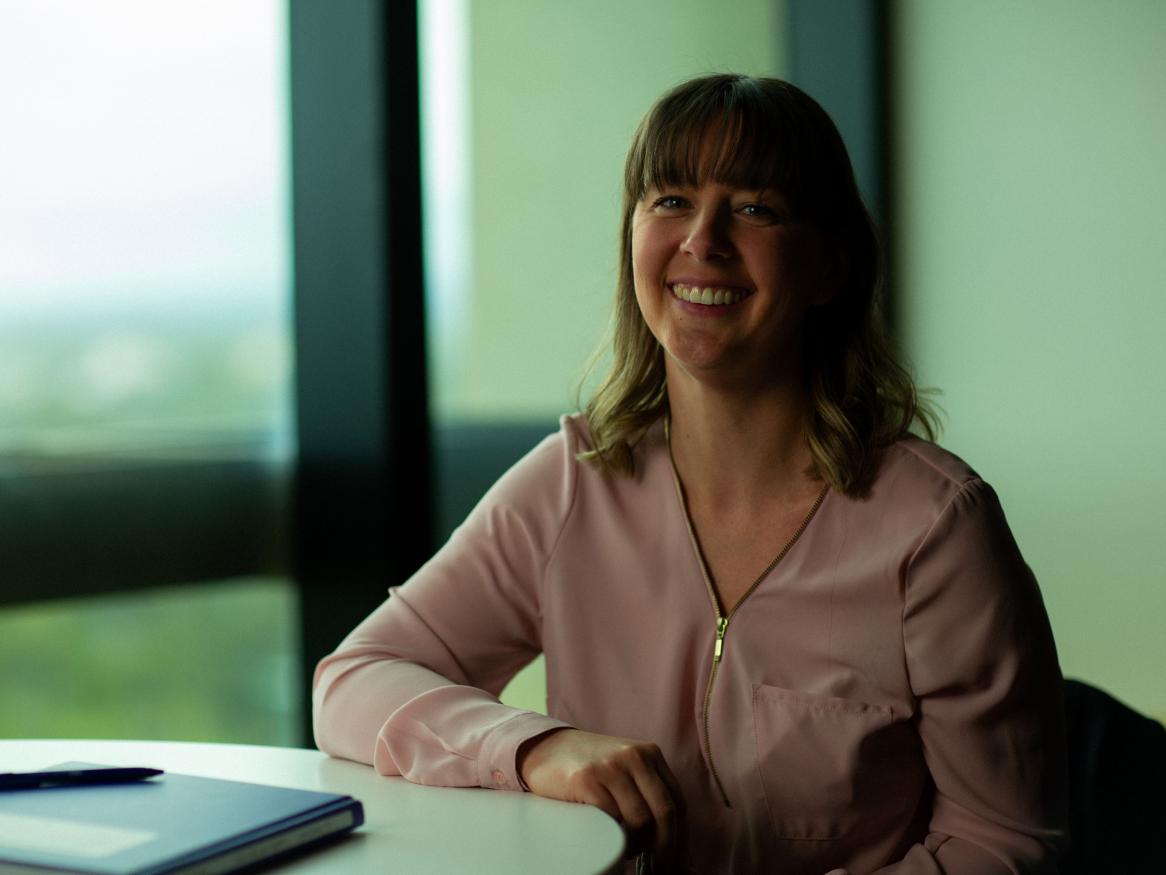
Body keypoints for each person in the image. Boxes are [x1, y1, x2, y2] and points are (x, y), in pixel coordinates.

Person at [313, 74, 1067, 874]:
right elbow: (352, 682)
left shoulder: (935, 529)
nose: (702, 240)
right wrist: (535, 747)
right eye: (670, 199)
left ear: (829, 266)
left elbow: (1003, 843)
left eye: (754, 208)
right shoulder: (573, 484)